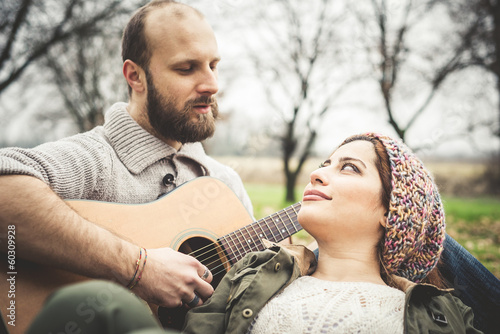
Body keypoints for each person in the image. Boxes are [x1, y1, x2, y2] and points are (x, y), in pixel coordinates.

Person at [25, 133, 487, 334]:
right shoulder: (257, 272)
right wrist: (137, 267)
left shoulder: (437, 314)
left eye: (348, 168)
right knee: (92, 305)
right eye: (323, 163)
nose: (319, 174)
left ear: (393, 213)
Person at [0, 0, 252, 331]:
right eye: (186, 68)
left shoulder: (225, 185)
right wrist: (138, 268)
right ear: (135, 76)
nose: (211, 85)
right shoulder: (91, 160)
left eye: (213, 65)